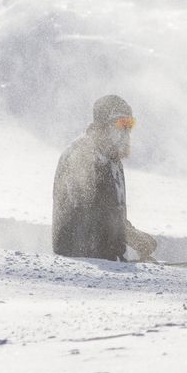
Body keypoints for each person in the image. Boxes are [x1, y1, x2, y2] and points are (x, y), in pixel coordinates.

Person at [52, 94, 158, 262]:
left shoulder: (112, 160)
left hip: (107, 263)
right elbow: (92, 214)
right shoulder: (82, 155)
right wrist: (134, 238)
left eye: (130, 124)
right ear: (104, 126)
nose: (127, 131)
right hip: (81, 262)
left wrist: (129, 245)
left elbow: (113, 213)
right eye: (122, 124)